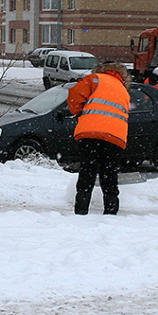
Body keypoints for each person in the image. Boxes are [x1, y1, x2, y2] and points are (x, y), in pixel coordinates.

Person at [67, 61, 131, 215]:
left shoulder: (94, 79)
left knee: (88, 170)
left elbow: (74, 98)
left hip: (91, 132)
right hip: (116, 136)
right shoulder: (124, 91)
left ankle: (81, 210)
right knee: (109, 173)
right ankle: (111, 211)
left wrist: (78, 111)